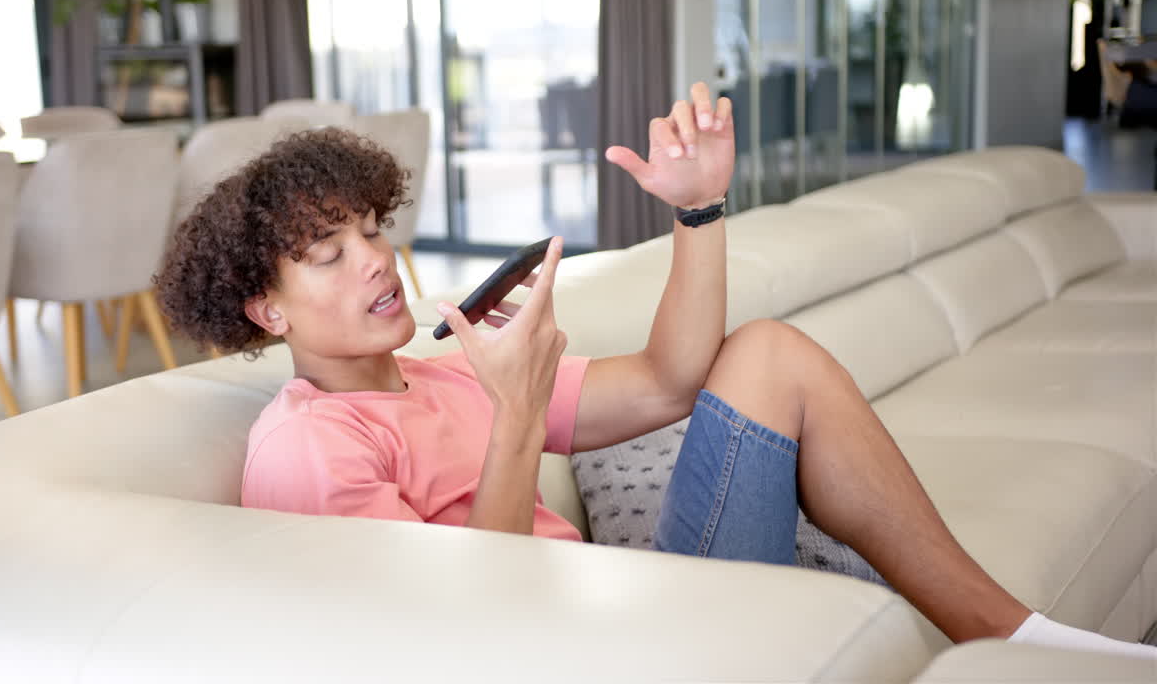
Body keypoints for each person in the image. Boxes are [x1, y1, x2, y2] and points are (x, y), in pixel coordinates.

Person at [156, 82, 1157, 661]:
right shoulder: (310, 444)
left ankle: (1014, 632)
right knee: (768, 357)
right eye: (328, 254)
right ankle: (1018, 636)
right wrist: (516, 411)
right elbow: (460, 625)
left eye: (372, 232)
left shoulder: (437, 375)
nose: (374, 260)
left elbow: (674, 381)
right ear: (266, 308)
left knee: (760, 352)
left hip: (618, 597)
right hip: (570, 645)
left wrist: (697, 211)